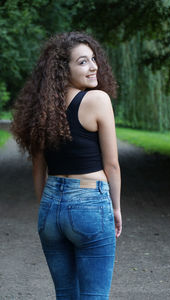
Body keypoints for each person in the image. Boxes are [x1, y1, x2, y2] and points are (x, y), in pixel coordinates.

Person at [11, 31, 122, 299]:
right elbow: (112, 165)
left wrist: (48, 208)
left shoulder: (42, 108)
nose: (93, 66)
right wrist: (116, 207)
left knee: (66, 294)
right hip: (89, 202)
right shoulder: (97, 100)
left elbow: (39, 167)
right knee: (94, 296)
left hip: (50, 209)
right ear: (64, 69)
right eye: (82, 62)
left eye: (93, 59)